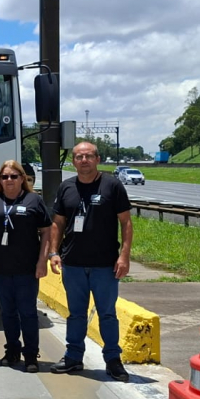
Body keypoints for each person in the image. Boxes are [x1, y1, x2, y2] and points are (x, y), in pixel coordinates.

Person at [48, 142, 133, 382]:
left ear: (97, 159)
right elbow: (58, 223)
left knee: (107, 314)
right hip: (73, 263)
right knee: (76, 314)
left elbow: (126, 222)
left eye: (88, 156)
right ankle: (73, 357)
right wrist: (54, 253)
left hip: (105, 264)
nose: (83, 160)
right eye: (78, 157)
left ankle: (113, 360)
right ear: (73, 161)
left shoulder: (112, 186)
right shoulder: (66, 188)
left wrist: (124, 256)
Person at [0, 161, 51, 372]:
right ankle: (12, 350)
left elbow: (46, 231)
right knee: (8, 312)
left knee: (28, 312)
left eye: (13, 176)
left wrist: (42, 261)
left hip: (27, 268)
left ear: (22, 178)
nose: (9, 180)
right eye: (4, 177)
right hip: (2, 267)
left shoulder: (33, 200)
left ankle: (31, 355)